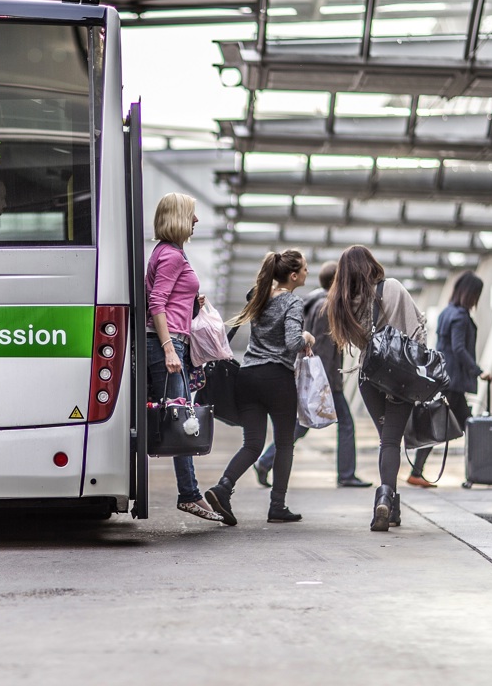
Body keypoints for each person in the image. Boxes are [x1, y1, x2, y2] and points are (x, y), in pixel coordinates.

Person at [203, 249, 314, 526]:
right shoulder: (292, 302)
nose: (307, 272)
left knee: (252, 444)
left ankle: (223, 488)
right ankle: (277, 506)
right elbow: (291, 343)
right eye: (304, 269)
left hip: (248, 376)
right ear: (293, 275)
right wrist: (306, 336)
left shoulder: (259, 295)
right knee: (285, 443)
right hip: (276, 378)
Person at [327, 245, 427, 532]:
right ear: (371, 263)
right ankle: (384, 497)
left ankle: (391, 507)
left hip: (370, 378)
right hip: (402, 378)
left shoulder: (343, 302)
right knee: (392, 441)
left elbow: (356, 344)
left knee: (387, 439)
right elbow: (418, 330)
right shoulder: (393, 288)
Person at [253, 261, 372, 489]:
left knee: (301, 426)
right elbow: (323, 349)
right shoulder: (327, 307)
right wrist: (325, 384)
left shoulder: (312, 302)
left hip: (312, 376)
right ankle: (346, 474)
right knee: (345, 423)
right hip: (323, 379)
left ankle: (265, 462)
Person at [146, 192, 224, 523]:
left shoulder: (169, 253)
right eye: (191, 214)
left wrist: (192, 300)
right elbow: (156, 303)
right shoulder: (172, 256)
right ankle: (189, 495)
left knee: (180, 416)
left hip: (172, 341)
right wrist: (167, 348)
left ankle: (190, 493)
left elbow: (167, 299)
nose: (196, 220)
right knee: (182, 419)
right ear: (178, 216)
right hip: (167, 344)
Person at [407, 271, 492, 487]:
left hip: (444, 379)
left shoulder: (447, 312)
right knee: (456, 427)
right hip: (452, 383)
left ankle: (419, 472)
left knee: (454, 426)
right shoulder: (460, 317)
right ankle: (481, 472)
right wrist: (478, 371)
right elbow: (458, 348)